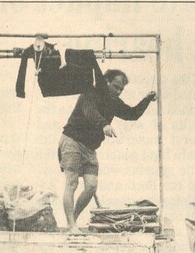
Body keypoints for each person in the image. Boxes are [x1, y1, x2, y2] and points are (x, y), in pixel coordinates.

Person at [58, 69, 157, 233]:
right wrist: (104, 124)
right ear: (106, 81)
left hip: (90, 149)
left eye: (121, 90)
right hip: (73, 141)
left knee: (91, 186)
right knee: (72, 183)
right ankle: (71, 225)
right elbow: (90, 112)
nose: (118, 92)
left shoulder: (114, 101)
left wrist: (146, 100)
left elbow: (131, 114)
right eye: (116, 87)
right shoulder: (90, 92)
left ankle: (72, 222)